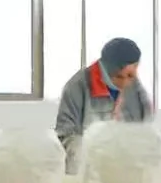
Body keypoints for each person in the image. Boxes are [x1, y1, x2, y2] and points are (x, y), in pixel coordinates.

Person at [55, 36, 154, 170]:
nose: (125, 82)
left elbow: (146, 130)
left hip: (127, 168)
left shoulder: (136, 89)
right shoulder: (77, 87)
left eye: (130, 76)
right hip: (89, 169)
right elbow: (65, 137)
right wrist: (95, 156)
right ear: (105, 70)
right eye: (119, 76)